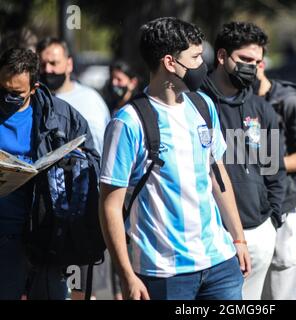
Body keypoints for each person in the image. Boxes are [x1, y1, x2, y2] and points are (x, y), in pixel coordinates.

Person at [99, 17, 251, 300]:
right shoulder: (128, 123)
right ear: (170, 63)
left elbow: (217, 175)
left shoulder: (203, 105)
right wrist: (126, 274)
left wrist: (238, 238)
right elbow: (109, 206)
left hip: (220, 264)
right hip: (164, 274)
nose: (202, 66)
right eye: (195, 58)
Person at [0, 47, 98, 300]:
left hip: (48, 234)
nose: (7, 97)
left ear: (33, 88)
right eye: (2, 90)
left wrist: (70, 166)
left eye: (16, 94)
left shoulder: (61, 116)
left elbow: (92, 163)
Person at [200, 21, 287, 300]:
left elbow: (275, 169)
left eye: (257, 62)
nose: (252, 67)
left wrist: (272, 220)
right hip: (211, 236)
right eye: (244, 59)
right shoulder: (195, 103)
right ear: (222, 56)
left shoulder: (261, 109)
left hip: (259, 231)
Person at [253, 60, 296, 300]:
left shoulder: (288, 102)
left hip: (284, 198)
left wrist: (269, 165)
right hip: (246, 199)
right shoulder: (236, 100)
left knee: (284, 262)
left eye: (251, 61)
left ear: (262, 63)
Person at [36, 37, 110, 156]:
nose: (48, 69)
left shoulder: (90, 100)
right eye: (43, 64)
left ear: (69, 64)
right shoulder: (34, 100)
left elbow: (98, 149)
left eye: (53, 63)